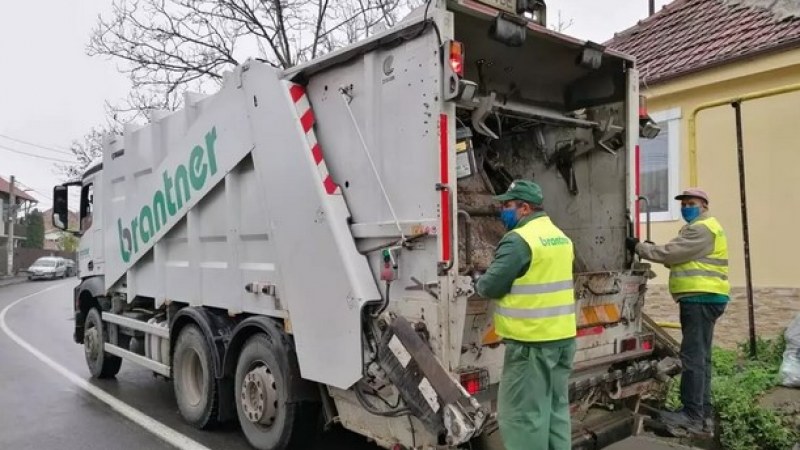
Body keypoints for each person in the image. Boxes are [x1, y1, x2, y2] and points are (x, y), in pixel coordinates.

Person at [476, 180, 576, 450]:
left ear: (524, 208)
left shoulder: (519, 240)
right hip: (562, 341)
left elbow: (490, 286)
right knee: (555, 411)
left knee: (522, 418)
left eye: (507, 206)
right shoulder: (560, 236)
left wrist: (478, 279)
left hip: (531, 347)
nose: (502, 211)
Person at [627, 188, 729, 433]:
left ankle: (691, 415)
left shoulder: (702, 229)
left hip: (699, 299)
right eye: (683, 204)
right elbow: (675, 258)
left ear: (704, 205)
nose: (685, 208)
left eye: (690, 203)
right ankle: (702, 412)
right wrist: (652, 248)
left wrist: (639, 248)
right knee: (702, 357)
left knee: (692, 357)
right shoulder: (704, 229)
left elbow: (671, 253)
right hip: (706, 298)